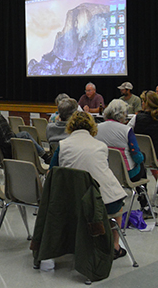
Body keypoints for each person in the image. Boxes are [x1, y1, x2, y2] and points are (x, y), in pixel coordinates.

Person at [54, 111, 128, 260]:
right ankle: (115, 246)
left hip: (71, 203)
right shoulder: (101, 146)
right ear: (92, 127)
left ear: (70, 126)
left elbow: (52, 172)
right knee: (117, 204)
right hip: (99, 204)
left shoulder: (62, 146)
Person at [95, 99, 152, 217]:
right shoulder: (126, 130)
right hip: (126, 174)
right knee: (142, 164)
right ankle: (144, 205)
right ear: (122, 114)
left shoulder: (96, 128)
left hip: (104, 170)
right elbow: (137, 157)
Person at [128, 91, 158, 197]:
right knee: (153, 152)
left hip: (138, 156)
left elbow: (127, 133)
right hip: (157, 157)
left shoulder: (136, 118)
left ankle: (153, 186)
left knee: (146, 153)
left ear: (145, 103)